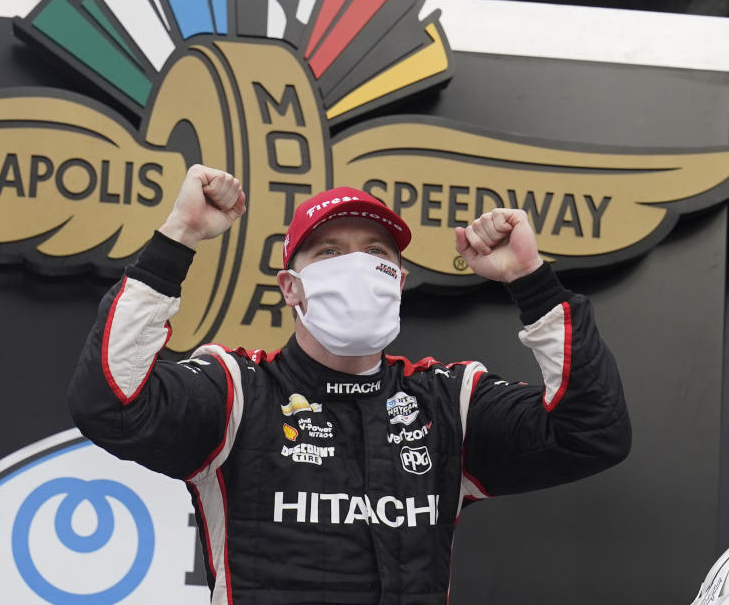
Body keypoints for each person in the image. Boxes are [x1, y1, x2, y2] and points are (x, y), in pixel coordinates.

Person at [68, 164, 631, 605]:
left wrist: (530, 281)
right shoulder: (239, 389)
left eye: (377, 253)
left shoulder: (446, 401)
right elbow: (111, 403)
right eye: (331, 252)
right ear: (291, 287)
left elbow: (591, 432)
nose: (357, 267)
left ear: (399, 283)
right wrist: (179, 236)